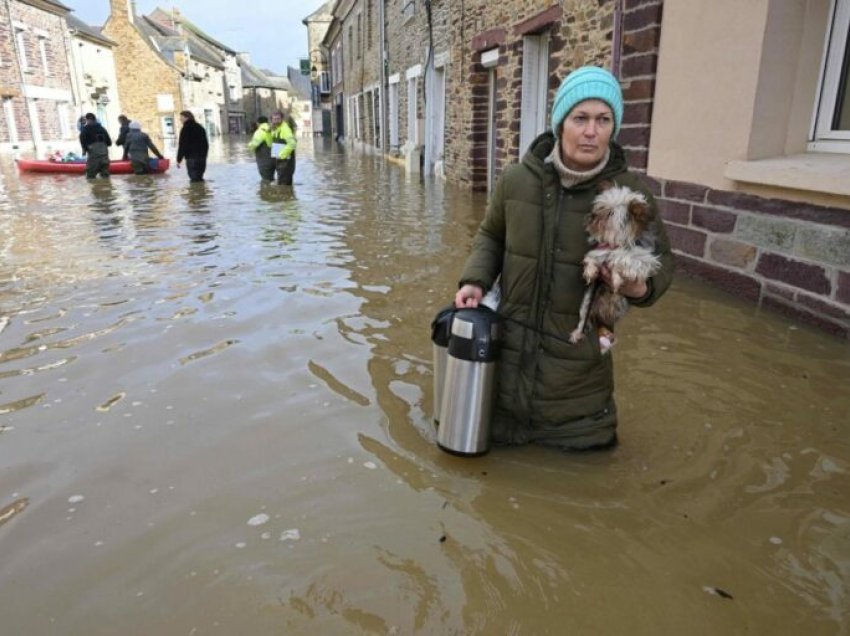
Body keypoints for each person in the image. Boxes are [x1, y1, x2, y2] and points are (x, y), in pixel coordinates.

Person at [453, 66, 674, 451]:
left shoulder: (631, 196)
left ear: (613, 127)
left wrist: (640, 286)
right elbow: (491, 235)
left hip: (578, 404)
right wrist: (475, 280)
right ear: (560, 123)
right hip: (502, 383)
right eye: (580, 118)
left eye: (603, 120)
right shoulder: (516, 181)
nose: (591, 131)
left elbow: (663, 265)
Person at [176, 110, 209, 182]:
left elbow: (182, 145)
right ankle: (202, 192)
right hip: (202, 158)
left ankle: (195, 193)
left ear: (186, 117)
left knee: (194, 180)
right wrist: (204, 155)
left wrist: (179, 159)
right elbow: (206, 144)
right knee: (200, 178)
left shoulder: (185, 129)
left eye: (181, 117)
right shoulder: (200, 127)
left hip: (191, 158)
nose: (180, 119)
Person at [79, 112, 112, 179]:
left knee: (90, 177)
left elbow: (83, 142)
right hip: (104, 155)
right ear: (95, 119)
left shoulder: (85, 130)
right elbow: (109, 143)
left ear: (87, 120)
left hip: (94, 156)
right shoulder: (102, 129)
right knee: (105, 176)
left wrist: (84, 151)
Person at [269, 110, 296, 185]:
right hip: (279, 160)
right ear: (271, 120)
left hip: (285, 160)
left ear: (282, 119)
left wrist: (282, 155)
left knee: (284, 183)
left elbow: (292, 144)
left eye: (278, 119)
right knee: (281, 181)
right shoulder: (275, 128)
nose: (276, 121)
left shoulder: (285, 129)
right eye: (274, 119)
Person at [248, 115, 274, 182]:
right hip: (273, 159)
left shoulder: (260, 131)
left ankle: (266, 191)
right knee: (271, 178)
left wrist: (249, 145)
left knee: (266, 180)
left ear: (258, 123)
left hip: (264, 160)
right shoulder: (271, 129)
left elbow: (254, 145)